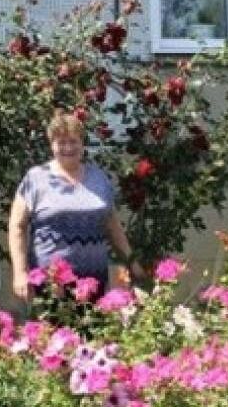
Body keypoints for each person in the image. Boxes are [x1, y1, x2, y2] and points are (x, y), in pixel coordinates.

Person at [8, 111, 142, 303]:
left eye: (73, 141)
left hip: (94, 282)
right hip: (51, 284)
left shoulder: (98, 178)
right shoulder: (36, 178)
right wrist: (20, 272)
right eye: (61, 142)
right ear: (51, 145)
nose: (68, 147)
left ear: (82, 143)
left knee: (95, 332)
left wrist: (131, 262)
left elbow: (112, 225)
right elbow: (17, 226)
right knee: (53, 333)